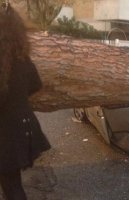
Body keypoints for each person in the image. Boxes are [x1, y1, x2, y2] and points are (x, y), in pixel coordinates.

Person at [0, 2, 51, 200]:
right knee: (13, 186)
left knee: (12, 187)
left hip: (6, 138)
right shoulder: (22, 59)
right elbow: (36, 84)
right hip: (20, 131)